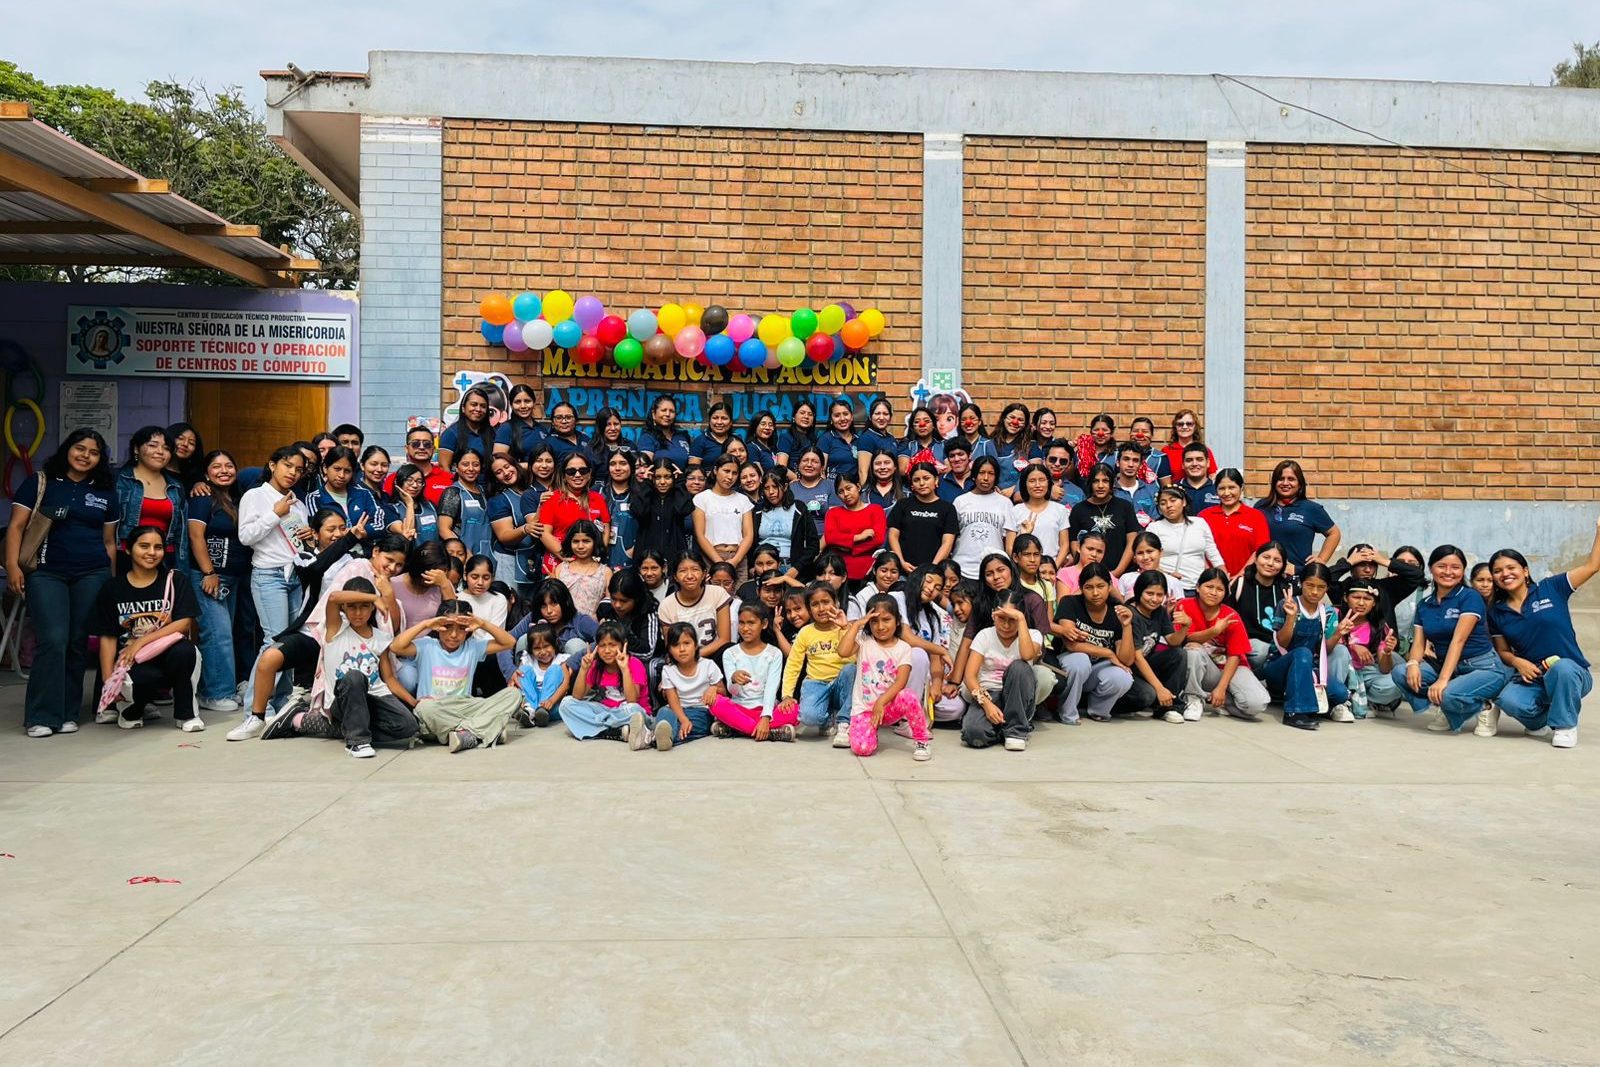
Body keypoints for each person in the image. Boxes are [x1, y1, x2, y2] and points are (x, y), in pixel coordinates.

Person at [6, 429, 120, 737]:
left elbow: (109, 542)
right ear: (67, 449)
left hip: (92, 573)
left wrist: (110, 583)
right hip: (46, 572)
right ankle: (42, 716)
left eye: (93, 452)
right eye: (80, 448)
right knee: (53, 639)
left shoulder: (106, 492)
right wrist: (13, 566)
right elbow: (16, 527)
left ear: (100, 459)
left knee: (77, 642)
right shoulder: (40, 482)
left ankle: (68, 713)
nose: (85, 456)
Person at [1487, 516, 1600, 749]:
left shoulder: (1552, 588)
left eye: (1511, 568)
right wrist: (1518, 662)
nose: (1505, 573)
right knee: (1508, 700)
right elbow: (1503, 652)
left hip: (1572, 673)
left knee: (1563, 668)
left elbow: (1592, 566)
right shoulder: (1496, 612)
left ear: (1525, 571)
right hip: (1534, 677)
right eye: (1497, 571)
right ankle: (1541, 721)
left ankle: (1565, 726)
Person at [1389, 544, 1511, 734]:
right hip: (1447, 665)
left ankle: (1485, 707)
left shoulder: (1470, 597)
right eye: (1441, 566)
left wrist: (1442, 680)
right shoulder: (1425, 604)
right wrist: (1412, 663)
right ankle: (1446, 706)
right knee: (1401, 673)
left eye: (1455, 567)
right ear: (1431, 568)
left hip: (1482, 666)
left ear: (1462, 571)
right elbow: (1419, 643)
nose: (1448, 572)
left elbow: (1458, 641)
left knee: (1448, 693)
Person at [91, 524, 200, 731]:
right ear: (128, 549)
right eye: (144, 546)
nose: (151, 552)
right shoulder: (113, 588)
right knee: (138, 691)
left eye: (158, 547)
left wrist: (140, 641)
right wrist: (108, 680)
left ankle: (186, 715)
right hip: (132, 661)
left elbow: (184, 622)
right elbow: (108, 636)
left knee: (186, 651)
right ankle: (132, 709)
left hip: (167, 654)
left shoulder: (175, 580)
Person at [388, 600, 520, 751]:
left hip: (465, 706)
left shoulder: (473, 647)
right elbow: (395, 647)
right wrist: (426, 624)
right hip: (436, 709)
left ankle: (468, 733)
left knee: (513, 694)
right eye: (447, 627)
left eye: (462, 628)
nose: (454, 635)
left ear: (469, 629)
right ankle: (483, 730)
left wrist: (482, 624)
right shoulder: (427, 645)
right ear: (438, 626)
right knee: (423, 707)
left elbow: (509, 642)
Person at [323, 576, 418, 757]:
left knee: (409, 726)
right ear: (343, 608)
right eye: (352, 606)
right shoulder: (336, 629)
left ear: (372, 608)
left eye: (364, 606)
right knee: (354, 677)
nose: (358, 613)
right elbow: (334, 597)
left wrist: (414, 702)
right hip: (343, 700)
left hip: (374, 697)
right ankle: (357, 741)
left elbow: (389, 679)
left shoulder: (381, 638)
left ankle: (350, 728)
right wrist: (374, 597)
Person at [185, 450, 248, 714]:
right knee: (217, 634)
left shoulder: (237, 499)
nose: (224, 470)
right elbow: (195, 536)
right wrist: (209, 572)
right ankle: (215, 693)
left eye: (229, 465)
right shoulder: (203, 498)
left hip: (232, 578)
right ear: (206, 473)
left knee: (224, 633)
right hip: (209, 577)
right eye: (216, 466)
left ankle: (218, 688)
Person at [838, 593, 932, 761]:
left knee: (909, 696)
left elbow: (901, 681)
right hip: (865, 710)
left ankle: (922, 740)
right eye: (874, 621)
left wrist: (881, 702)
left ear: (897, 621)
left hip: (888, 707)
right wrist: (856, 625)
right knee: (862, 749)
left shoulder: (904, 648)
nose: (880, 626)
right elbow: (843, 651)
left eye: (886, 620)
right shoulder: (864, 640)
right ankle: (868, 732)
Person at [1260, 562, 1352, 730]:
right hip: (1278, 666)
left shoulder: (1329, 612)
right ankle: (1295, 712)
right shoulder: (1287, 604)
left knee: (1340, 694)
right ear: (1301, 583)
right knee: (1302, 653)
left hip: (1309, 669)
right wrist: (1291, 618)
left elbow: (1325, 650)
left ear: (1326, 588)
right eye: (1310, 585)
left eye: (1321, 587)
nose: (1315, 591)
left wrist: (1338, 633)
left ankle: (1307, 701)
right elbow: (1282, 643)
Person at [1176, 568, 1269, 722]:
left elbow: (1235, 656)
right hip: (1202, 667)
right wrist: (1214, 631)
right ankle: (1193, 699)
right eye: (1209, 587)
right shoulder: (1184, 605)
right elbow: (1184, 639)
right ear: (1198, 587)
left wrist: (1221, 688)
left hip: (1229, 668)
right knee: (1192, 649)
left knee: (1256, 705)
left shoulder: (1231, 615)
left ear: (1226, 593)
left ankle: (1216, 699)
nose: (1213, 592)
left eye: (1220, 589)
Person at [1051, 562, 1136, 723]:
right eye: (1089, 587)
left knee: (1123, 677)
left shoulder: (1117, 610)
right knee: (1080, 660)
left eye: (1100, 586)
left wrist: (1127, 626)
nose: (1095, 593)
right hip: (1067, 666)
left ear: (1110, 586)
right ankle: (1067, 712)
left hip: (1096, 670)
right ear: (1081, 588)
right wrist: (1108, 653)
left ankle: (1098, 710)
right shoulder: (1070, 602)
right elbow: (1071, 644)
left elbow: (1127, 660)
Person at [777, 582, 857, 745]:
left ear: (836, 603)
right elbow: (793, 664)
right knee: (808, 717)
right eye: (815, 604)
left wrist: (844, 629)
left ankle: (844, 723)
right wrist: (787, 695)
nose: (821, 608)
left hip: (841, 684)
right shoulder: (806, 632)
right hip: (816, 683)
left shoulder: (847, 627)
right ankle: (827, 718)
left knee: (851, 669)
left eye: (826, 602)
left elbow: (855, 658)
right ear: (809, 608)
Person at [960, 589, 1040, 752]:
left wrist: (1021, 620)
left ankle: (1016, 731)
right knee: (974, 734)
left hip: (1018, 696)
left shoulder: (1033, 635)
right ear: (993, 614)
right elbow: (969, 677)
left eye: (1013, 619)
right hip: (989, 694)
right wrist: (987, 705)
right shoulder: (984, 635)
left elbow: (1027, 655)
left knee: (1019, 666)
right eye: (1001, 618)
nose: (1006, 625)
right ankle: (1003, 729)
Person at [710, 602, 794, 741]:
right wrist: (733, 679)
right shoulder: (730, 653)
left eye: (751, 623)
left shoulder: (774, 653)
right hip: (739, 709)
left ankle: (737, 729)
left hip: (767, 709)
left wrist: (766, 717)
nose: (745, 628)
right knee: (715, 703)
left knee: (796, 709)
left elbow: (772, 687)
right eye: (741, 623)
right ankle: (770, 732)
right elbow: (733, 691)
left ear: (764, 624)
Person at [556, 621, 652, 741]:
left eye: (612, 645)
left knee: (634, 710)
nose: (607, 651)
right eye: (602, 645)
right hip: (606, 710)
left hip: (629, 712)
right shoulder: (597, 665)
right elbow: (577, 696)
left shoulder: (634, 664)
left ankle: (598, 728)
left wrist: (625, 670)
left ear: (623, 645)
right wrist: (583, 669)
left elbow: (632, 700)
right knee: (566, 704)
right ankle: (613, 731)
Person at [1122, 570, 1193, 722]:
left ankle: (1168, 706)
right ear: (1139, 591)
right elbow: (1137, 657)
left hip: (1146, 664)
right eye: (1149, 593)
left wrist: (1186, 626)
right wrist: (1159, 688)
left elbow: (1173, 641)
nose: (1154, 599)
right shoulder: (1130, 614)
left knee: (1179, 654)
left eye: (1160, 595)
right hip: (1127, 669)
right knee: (1147, 695)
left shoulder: (1159, 611)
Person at [114, 425, 187, 566]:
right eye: (153, 445)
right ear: (136, 449)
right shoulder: (118, 480)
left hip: (164, 558)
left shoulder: (176, 487)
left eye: (166, 448)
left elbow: (181, 534)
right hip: (125, 555)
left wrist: (181, 567)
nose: (160, 452)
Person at [650, 621, 722, 750]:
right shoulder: (668, 670)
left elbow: (724, 692)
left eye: (687, 643)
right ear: (669, 649)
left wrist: (714, 688)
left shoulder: (708, 665)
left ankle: (653, 738)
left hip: (701, 710)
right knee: (664, 712)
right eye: (676, 645)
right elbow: (672, 700)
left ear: (695, 645)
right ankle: (664, 737)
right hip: (677, 710)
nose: (682, 649)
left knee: (696, 724)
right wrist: (683, 719)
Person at [1257, 460, 1341, 568]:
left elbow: (1334, 533)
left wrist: (1321, 560)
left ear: (1300, 484)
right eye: (1281, 479)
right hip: (1265, 571)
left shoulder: (1311, 508)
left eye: (1291, 479)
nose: (1285, 483)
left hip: (1297, 573)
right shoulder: (1261, 506)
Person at [1337, 580, 1402, 719]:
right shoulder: (1335, 615)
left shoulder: (1378, 626)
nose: (1361, 603)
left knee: (1397, 685)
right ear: (1346, 598)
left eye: (1367, 599)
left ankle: (1366, 700)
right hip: (1340, 672)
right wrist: (1353, 646)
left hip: (1366, 672)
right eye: (1356, 597)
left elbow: (1384, 669)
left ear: (1374, 603)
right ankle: (1348, 699)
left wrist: (1387, 652)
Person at [1144, 487, 1224, 594]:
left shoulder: (1200, 523)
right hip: (1167, 586)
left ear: (1184, 502)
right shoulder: (1154, 528)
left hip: (1199, 586)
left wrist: (1224, 576)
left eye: (1173, 500)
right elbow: (1148, 559)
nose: (1168, 505)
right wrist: (1167, 575)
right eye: (1163, 503)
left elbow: (1213, 553)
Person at [537, 453, 611, 571]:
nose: (577, 475)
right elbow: (544, 533)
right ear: (564, 476)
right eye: (571, 471)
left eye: (583, 471)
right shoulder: (552, 499)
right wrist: (565, 556)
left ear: (589, 474)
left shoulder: (598, 498)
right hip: (558, 565)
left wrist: (598, 554)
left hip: (591, 566)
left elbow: (605, 530)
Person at [1228, 541, 1293, 669]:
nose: (1270, 563)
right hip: (1248, 645)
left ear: (1283, 565)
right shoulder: (1240, 584)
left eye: (1277, 560)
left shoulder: (1287, 589)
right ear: (1256, 559)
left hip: (1279, 644)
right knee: (1264, 653)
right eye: (1266, 557)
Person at [309, 446, 383, 557]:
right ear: (325, 468)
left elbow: (380, 525)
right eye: (337, 469)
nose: (341, 475)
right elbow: (317, 530)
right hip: (332, 558)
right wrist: (351, 533)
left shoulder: (363, 494)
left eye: (347, 471)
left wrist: (363, 532)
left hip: (365, 556)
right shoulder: (315, 498)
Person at [657, 551, 731, 659]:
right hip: (683, 658)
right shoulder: (666, 605)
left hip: (714, 654)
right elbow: (671, 647)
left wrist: (696, 655)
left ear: (704, 574)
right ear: (675, 577)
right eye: (683, 571)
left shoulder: (717, 593)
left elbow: (724, 639)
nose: (689, 576)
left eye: (695, 570)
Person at [693, 453, 756, 580]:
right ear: (716, 470)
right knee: (713, 591)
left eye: (734, 473)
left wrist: (735, 561)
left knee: (740, 591)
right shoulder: (702, 498)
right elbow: (700, 535)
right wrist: (719, 562)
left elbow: (749, 535)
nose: (730, 477)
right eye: (726, 471)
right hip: (711, 556)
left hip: (738, 557)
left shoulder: (743, 500)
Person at [887, 462, 958, 572]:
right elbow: (893, 535)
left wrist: (932, 568)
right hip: (903, 570)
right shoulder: (902, 505)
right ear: (912, 484)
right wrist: (901, 562)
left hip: (934, 572)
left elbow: (947, 542)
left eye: (926, 478)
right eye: (916, 480)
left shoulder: (948, 509)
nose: (921, 483)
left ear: (936, 480)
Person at [1200, 469, 1270, 579]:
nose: (1226, 493)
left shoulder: (1256, 516)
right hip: (1211, 581)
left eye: (1232, 487)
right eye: (1222, 488)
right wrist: (1212, 576)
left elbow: (1260, 550)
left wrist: (1239, 576)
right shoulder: (1204, 516)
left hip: (1246, 580)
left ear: (1241, 488)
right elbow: (1197, 550)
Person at [486, 452, 539, 598]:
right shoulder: (498, 501)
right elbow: (504, 536)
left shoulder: (532, 490)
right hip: (509, 560)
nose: (506, 473)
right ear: (494, 478)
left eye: (507, 466)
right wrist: (525, 529)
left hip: (533, 558)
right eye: (498, 472)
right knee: (510, 602)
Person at [1069, 467, 1138, 576]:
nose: (1100, 485)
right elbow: (1074, 542)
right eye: (1096, 481)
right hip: (1088, 575)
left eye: (1105, 481)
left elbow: (1132, 541)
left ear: (1112, 483)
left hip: (1122, 574)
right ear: (1090, 483)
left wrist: (1117, 572)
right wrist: (1085, 569)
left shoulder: (1125, 506)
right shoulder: (1078, 509)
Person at [822, 471, 887, 585]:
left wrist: (848, 548)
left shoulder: (876, 510)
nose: (846, 494)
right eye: (841, 492)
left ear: (858, 487)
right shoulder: (833, 513)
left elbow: (878, 539)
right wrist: (858, 537)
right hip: (840, 571)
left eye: (849, 488)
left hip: (868, 570)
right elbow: (830, 538)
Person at [952, 457, 1010, 580]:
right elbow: (951, 536)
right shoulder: (960, 501)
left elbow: (1008, 540)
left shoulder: (1005, 503)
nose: (986, 478)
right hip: (962, 569)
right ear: (974, 475)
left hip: (994, 572)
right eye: (981, 473)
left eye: (991, 474)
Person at [1006, 463, 1071, 567]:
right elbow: (1010, 548)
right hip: (1023, 570)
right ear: (1024, 484)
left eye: (1042, 480)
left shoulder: (1060, 510)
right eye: (1032, 481)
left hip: (1051, 570)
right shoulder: (1015, 511)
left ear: (1048, 483)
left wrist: (1053, 567)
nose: (1037, 485)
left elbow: (1064, 545)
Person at [753, 470, 818, 575]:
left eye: (775, 487)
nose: (771, 492)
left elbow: (813, 545)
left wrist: (797, 569)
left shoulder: (799, 508)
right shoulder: (758, 510)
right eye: (766, 488)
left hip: (791, 567)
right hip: (763, 567)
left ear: (785, 486)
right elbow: (750, 541)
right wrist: (752, 566)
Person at [513, 622, 573, 728]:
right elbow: (519, 682)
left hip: (553, 703)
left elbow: (566, 684)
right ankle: (530, 711)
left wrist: (551, 701)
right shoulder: (527, 659)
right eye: (537, 648)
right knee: (523, 670)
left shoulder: (561, 660)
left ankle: (542, 712)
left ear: (554, 644)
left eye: (546, 646)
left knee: (554, 669)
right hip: (530, 702)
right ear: (531, 649)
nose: (543, 652)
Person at [437, 450, 493, 558]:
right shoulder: (453, 492)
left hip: (485, 554)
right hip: (462, 557)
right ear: (456, 467)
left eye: (475, 465)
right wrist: (465, 554)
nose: (471, 469)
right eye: (465, 464)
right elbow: (443, 529)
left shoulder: (484, 491)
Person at [553, 519, 611, 619]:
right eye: (576, 541)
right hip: (564, 625)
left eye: (586, 541)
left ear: (595, 542)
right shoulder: (561, 569)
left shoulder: (605, 572)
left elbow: (608, 606)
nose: (580, 546)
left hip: (592, 626)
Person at [437, 385, 498, 472]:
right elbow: (443, 467)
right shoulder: (451, 433)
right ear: (463, 408)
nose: (478, 409)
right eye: (474, 405)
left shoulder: (493, 433)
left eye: (483, 406)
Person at [390, 425, 454, 505]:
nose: (421, 447)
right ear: (406, 448)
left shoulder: (449, 479)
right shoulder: (393, 479)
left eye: (427, 444)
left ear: (433, 449)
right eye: (415, 443)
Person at [599, 450, 638, 570]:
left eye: (623, 463)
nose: (617, 468)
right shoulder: (598, 492)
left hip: (630, 558)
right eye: (612, 464)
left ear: (631, 466)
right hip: (599, 557)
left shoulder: (640, 494)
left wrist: (634, 550)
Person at [633, 395, 691, 471]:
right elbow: (645, 469)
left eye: (671, 411)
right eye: (663, 410)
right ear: (654, 414)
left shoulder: (682, 436)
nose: (667, 414)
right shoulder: (647, 438)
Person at [1159, 409, 1216, 484]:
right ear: (1175, 427)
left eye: (1189, 424)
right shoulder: (1166, 451)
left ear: (1195, 427)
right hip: (1175, 490)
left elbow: (1212, 476)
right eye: (1180, 424)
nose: (1184, 427)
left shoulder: (1204, 450)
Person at [494, 383, 545, 466]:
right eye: (517, 402)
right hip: (520, 474)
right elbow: (498, 463)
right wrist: (530, 466)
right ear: (511, 405)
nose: (523, 406)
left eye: (527, 401)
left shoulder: (541, 428)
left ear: (534, 403)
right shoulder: (506, 429)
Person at [1110, 443, 1160, 528]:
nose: (1130, 464)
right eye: (1126, 459)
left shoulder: (1151, 490)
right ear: (1118, 462)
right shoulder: (1109, 490)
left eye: (1135, 460)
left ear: (1141, 465)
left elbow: (1157, 520)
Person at [789, 446, 833, 537]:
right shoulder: (790, 488)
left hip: (825, 539)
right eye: (805, 460)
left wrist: (821, 544)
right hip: (797, 539)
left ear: (822, 467)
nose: (809, 465)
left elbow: (836, 522)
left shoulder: (830, 486)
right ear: (798, 465)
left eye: (814, 461)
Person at [989, 402, 1032, 494]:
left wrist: (1014, 489)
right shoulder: (989, 444)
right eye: (1012, 417)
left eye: (1020, 420)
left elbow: (1035, 472)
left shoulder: (1031, 446)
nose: (1015, 422)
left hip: (1020, 495)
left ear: (1025, 424)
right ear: (1004, 418)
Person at [854, 398, 899, 483]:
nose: (881, 417)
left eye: (885, 414)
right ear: (870, 416)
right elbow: (863, 472)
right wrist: (865, 490)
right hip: (874, 488)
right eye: (877, 413)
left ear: (890, 417)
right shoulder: (867, 438)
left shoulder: (891, 438)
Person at [815, 398, 860, 479]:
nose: (842, 418)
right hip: (831, 485)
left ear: (852, 417)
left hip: (854, 486)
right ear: (831, 420)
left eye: (845, 414)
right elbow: (820, 471)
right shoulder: (825, 439)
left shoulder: (859, 440)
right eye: (837, 415)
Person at [688, 401, 739, 469]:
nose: (719, 422)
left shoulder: (736, 441)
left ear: (731, 422)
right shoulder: (700, 441)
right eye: (715, 418)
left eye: (724, 418)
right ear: (709, 420)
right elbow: (693, 471)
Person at [1173, 444, 1221, 516]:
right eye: (1189, 460)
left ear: (1208, 463)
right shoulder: (1174, 490)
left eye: (1199, 459)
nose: (1194, 464)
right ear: (1183, 464)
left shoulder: (1219, 488)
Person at [542, 401, 590, 467]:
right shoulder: (547, 444)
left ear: (576, 420)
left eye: (568, 417)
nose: (564, 421)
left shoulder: (585, 438)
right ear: (552, 422)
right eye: (559, 418)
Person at [1073, 414, 1118, 482]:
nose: (1100, 433)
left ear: (1111, 433)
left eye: (1105, 430)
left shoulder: (1116, 455)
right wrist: (1070, 449)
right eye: (1096, 430)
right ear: (1091, 432)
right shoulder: (1079, 453)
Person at [775, 400, 819, 469]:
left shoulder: (814, 439)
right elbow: (781, 467)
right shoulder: (786, 437)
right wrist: (796, 476)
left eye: (810, 414)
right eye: (802, 413)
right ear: (794, 417)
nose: (806, 416)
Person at [164, 421, 204, 491]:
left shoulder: (194, 476)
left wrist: (199, 484)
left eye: (191, 443)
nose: (185, 444)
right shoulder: (155, 469)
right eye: (180, 438)